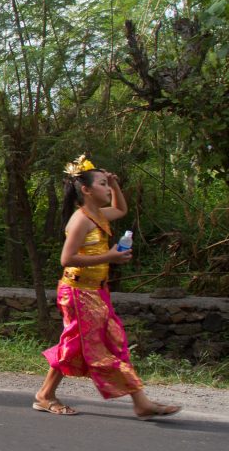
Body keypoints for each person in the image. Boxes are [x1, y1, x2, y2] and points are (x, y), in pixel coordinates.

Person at [34, 156, 181, 420]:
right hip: (77, 292)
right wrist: (109, 257)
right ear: (86, 190)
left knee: (101, 341)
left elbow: (121, 209)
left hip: (95, 290)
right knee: (89, 344)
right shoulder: (81, 220)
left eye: (107, 183)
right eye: (102, 184)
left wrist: (115, 183)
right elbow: (66, 260)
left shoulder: (98, 214)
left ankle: (139, 402)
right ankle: (139, 402)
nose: (108, 188)